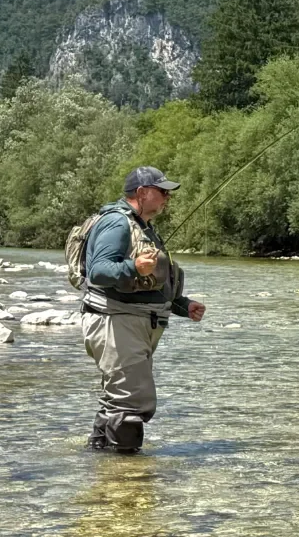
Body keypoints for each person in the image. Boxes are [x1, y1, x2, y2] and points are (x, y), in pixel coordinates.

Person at [81, 166, 206, 452]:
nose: (167, 198)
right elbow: (98, 271)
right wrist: (132, 266)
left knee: (119, 399)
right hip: (116, 323)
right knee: (131, 402)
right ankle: (128, 477)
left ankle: (102, 462)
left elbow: (151, 283)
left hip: (131, 325)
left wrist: (183, 306)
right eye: (162, 192)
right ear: (142, 192)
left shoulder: (143, 227)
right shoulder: (117, 223)